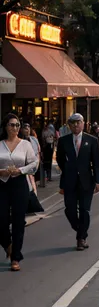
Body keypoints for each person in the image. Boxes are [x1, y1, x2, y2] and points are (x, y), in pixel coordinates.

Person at [56, 113, 99, 251]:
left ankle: (81, 238)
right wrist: (68, 170)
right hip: (69, 180)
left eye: (78, 122)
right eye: (73, 123)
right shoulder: (63, 141)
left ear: (83, 123)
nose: (76, 125)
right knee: (69, 210)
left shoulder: (91, 140)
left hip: (86, 181)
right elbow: (60, 160)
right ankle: (81, 230)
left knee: (84, 210)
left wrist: (98, 180)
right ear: (69, 125)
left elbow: (97, 162)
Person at [0, 113, 38, 270]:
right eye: (11, 125)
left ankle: (16, 257)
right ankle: (8, 245)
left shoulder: (25, 144)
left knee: (18, 221)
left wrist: (20, 170)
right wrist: (1, 171)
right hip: (2, 184)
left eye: (17, 125)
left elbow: (34, 164)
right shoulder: (0, 144)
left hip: (19, 184)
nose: (14, 128)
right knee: (1, 219)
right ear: (5, 127)